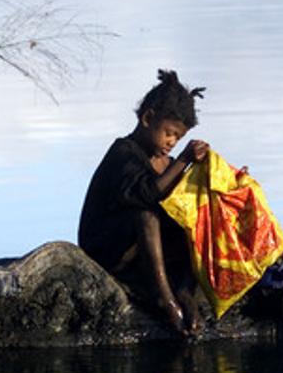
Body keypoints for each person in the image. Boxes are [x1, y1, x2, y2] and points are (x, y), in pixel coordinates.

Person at [78, 70, 208, 336]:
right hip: (106, 250)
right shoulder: (123, 154)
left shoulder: (165, 163)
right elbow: (148, 195)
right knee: (146, 215)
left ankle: (184, 289)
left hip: (141, 253)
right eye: (169, 133)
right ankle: (164, 297)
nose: (172, 143)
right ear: (148, 119)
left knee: (198, 213)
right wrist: (184, 160)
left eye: (178, 138)